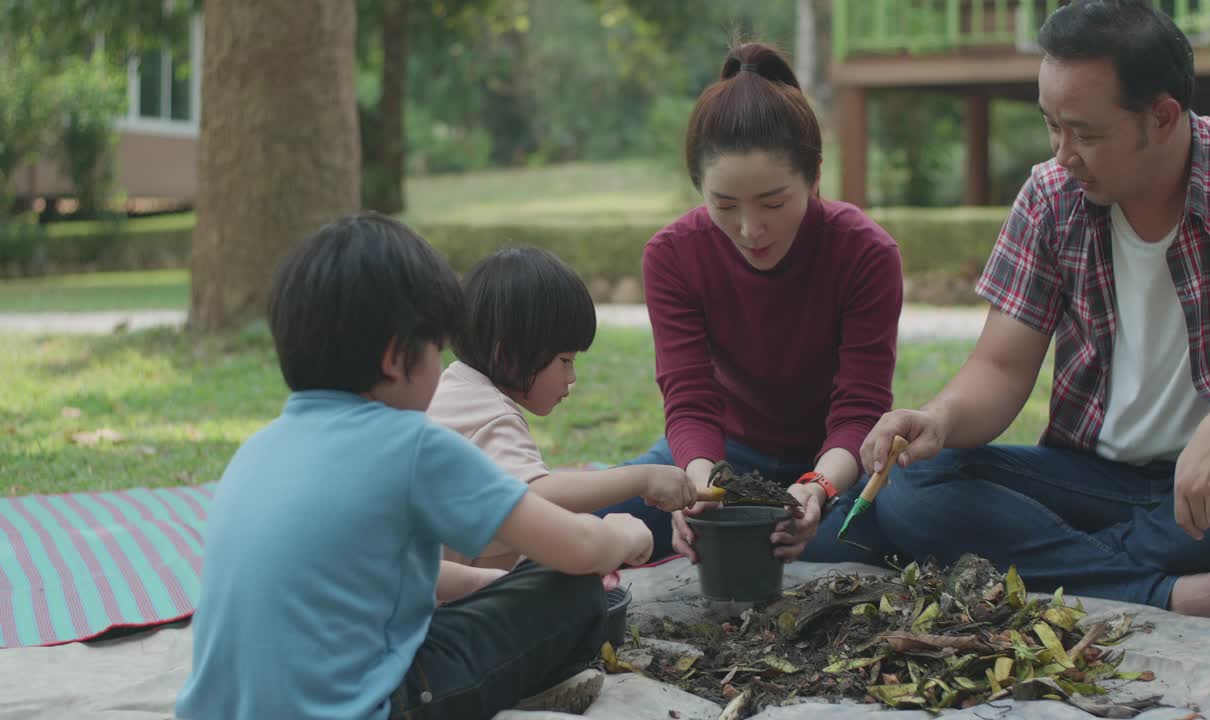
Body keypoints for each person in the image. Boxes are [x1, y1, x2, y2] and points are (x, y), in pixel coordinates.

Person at [862, 0, 1210, 624]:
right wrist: (937, 418)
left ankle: (1072, 570)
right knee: (909, 489)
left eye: (1085, 133)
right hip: (1090, 480)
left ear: (1162, 116)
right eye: (1052, 127)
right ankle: (1155, 589)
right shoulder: (1050, 198)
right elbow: (1000, 369)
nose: (1063, 154)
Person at [175, 214, 654, 720]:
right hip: (371, 706)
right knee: (570, 588)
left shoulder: (258, 449)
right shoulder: (409, 444)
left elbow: (368, 575)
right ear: (394, 356)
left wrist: (481, 587)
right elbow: (578, 549)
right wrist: (621, 534)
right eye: (436, 346)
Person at [597, 41, 905, 565]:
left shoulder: (865, 253)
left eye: (774, 202)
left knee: (871, 539)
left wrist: (819, 489)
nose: (750, 229)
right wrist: (698, 489)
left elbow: (860, 405)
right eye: (724, 205)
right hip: (722, 456)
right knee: (595, 521)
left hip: (832, 463)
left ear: (815, 175)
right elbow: (690, 398)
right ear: (698, 187)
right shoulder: (672, 256)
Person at [428, 246, 697, 570]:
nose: (571, 378)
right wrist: (643, 479)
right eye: (565, 361)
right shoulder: (489, 414)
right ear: (508, 354)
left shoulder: (457, 390)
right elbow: (533, 497)